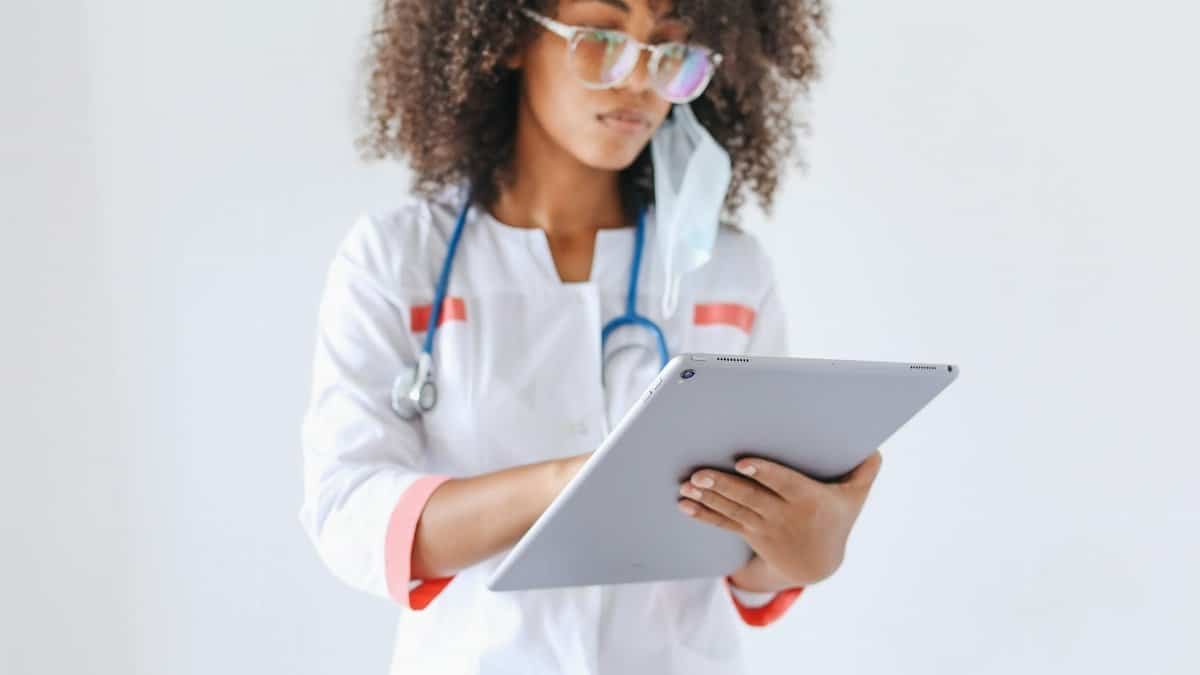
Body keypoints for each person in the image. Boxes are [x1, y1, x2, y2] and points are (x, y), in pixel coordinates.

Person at [299, 0, 882, 672]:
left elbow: (747, 561)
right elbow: (349, 514)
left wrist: (805, 549)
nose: (639, 81)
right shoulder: (398, 260)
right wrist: (575, 482)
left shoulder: (726, 272)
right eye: (601, 37)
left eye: (668, 49)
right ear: (509, 37)